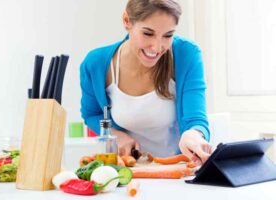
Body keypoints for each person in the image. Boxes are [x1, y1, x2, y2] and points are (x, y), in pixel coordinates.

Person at [80, 0, 212, 166]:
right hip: (131, 171)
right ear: (127, 21)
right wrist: (115, 135)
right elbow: (91, 114)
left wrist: (193, 134)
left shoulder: (187, 54)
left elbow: (196, 119)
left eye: (168, 35)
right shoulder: (96, 64)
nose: (157, 47)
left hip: (180, 169)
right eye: (148, 34)